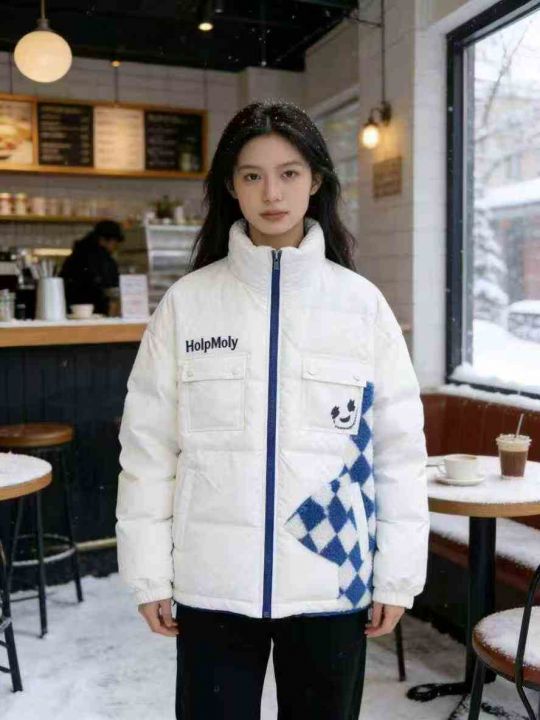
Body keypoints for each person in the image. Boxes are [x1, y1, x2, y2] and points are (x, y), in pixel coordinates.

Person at [115, 100, 429, 720]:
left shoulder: (361, 306)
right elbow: (148, 450)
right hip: (212, 584)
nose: (272, 193)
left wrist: (396, 575)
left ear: (316, 181)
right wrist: (148, 573)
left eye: (289, 173)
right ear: (231, 187)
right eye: (252, 175)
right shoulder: (188, 305)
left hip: (331, 579)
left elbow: (397, 452)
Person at [60, 219, 124, 315]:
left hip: (71, 310)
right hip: (96, 311)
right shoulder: (102, 259)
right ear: (103, 240)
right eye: (115, 242)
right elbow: (109, 287)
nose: (116, 246)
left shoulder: (76, 255)